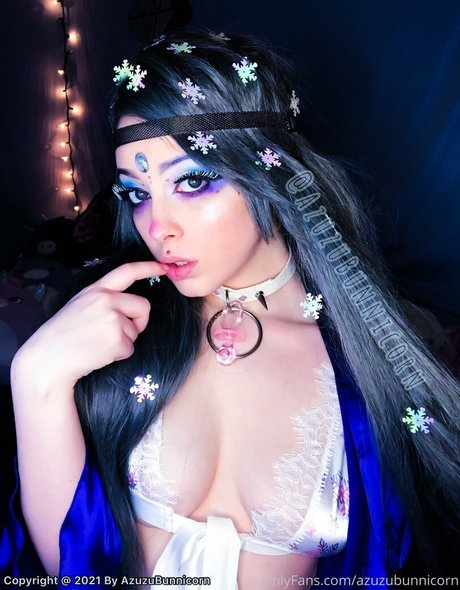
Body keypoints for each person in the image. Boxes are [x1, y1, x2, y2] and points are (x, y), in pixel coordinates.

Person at [1, 29, 459, 590]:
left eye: (192, 181)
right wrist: (36, 378)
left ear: (268, 169)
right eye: (138, 193)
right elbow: (68, 564)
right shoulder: (123, 327)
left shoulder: (367, 365)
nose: (158, 228)